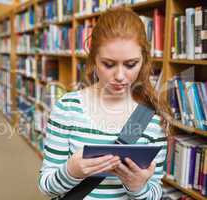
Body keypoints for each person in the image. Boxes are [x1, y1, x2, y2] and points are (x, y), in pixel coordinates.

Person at [38, 7, 172, 200]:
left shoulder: (152, 118)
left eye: (131, 64)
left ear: (143, 60)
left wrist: (137, 188)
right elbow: (46, 188)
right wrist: (71, 171)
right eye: (108, 64)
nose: (119, 76)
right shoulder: (67, 108)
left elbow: (155, 192)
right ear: (94, 59)